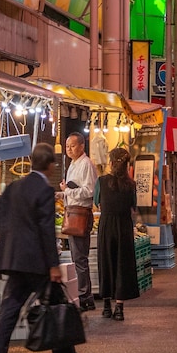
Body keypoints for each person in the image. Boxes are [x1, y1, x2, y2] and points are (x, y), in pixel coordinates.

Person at [0, 142, 96, 353]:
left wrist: (10, 234)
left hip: (13, 258)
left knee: (10, 307)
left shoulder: (15, 186)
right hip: (36, 261)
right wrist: (53, 265)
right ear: (49, 165)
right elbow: (47, 230)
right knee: (57, 302)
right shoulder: (44, 190)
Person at [95, 147, 140, 320]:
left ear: (111, 163)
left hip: (106, 226)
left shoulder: (101, 181)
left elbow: (96, 202)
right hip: (124, 226)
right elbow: (133, 207)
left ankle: (106, 306)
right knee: (122, 264)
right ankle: (119, 308)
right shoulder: (131, 185)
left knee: (106, 262)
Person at [60, 132, 98, 312]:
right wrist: (63, 193)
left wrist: (67, 191)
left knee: (80, 258)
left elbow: (89, 191)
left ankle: (85, 297)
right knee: (77, 258)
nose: (69, 149)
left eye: (72, 146)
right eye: (67, 146)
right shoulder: (73, 164)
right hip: (72, 213)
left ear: (82, 146)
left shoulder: (86, 164)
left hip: (80, 215)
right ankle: (85, 296)